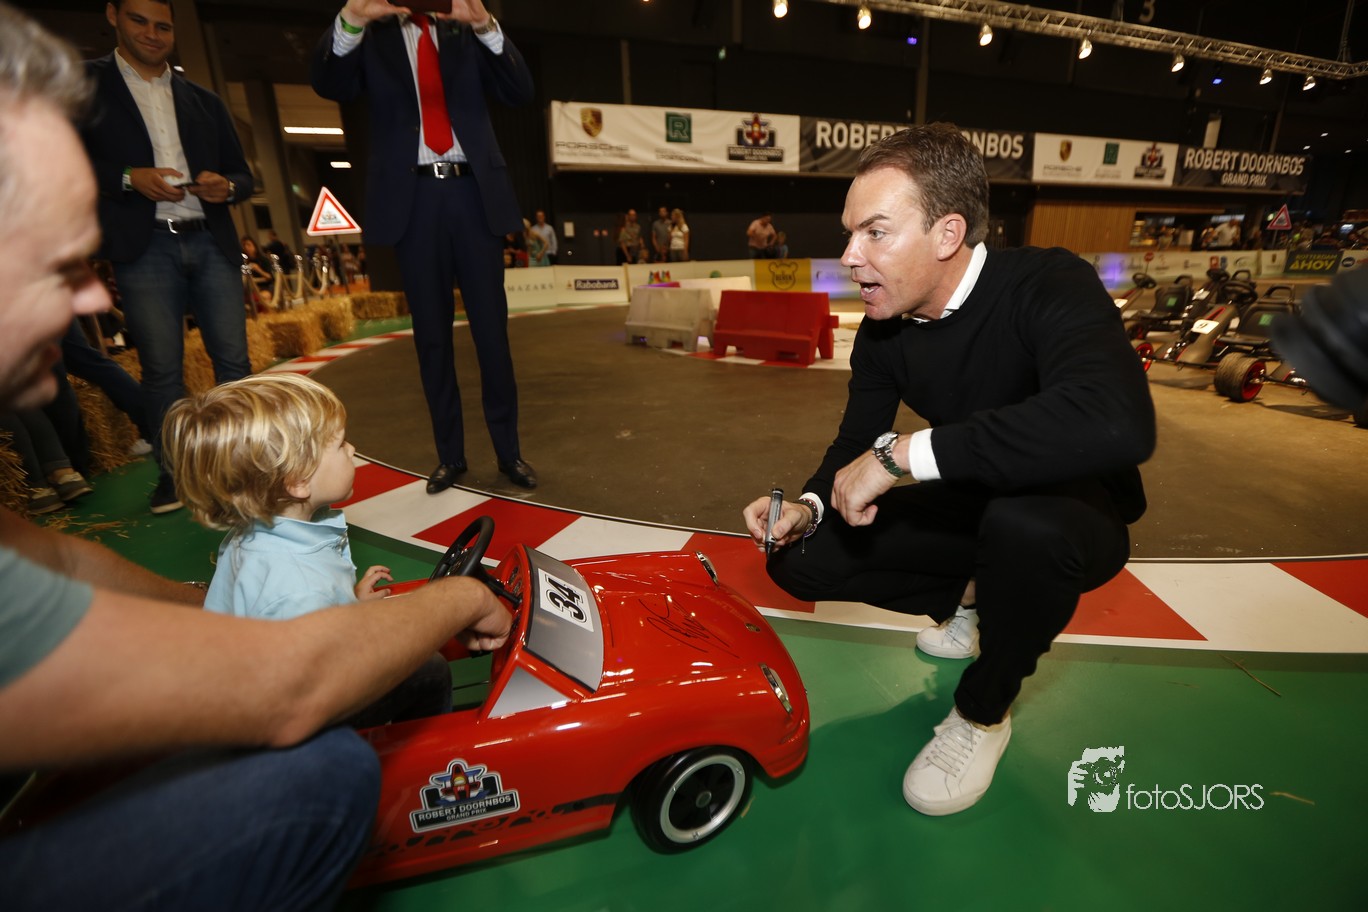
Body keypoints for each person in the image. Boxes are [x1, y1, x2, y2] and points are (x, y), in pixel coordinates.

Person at [0, 7, 511, 906]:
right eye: (58, 265)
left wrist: (246, 617)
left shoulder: (256, 544)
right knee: (347, 757)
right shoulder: (281, 561)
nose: (93, 300)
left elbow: (57, 566)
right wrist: (458, 598)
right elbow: (291, 686)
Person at [742, 124, 1155, 817]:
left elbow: (1117, 421)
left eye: (875, 232)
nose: (849, 256)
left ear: (947, 233)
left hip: (1071, 513)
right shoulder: (883, 331)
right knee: (800, 558)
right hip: (973, 502)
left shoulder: (1049, 282)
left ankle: (982, 713)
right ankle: (970, 598)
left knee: (1024, 528)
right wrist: (808, 507)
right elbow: (855, 440)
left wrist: (903, 454)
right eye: (850, 234)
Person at [312, 0, 538, 492]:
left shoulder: (466, 31)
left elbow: (520, 90)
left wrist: (485, 24)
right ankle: (450, 456)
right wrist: (353, 17)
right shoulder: (373, 36)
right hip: (412, 200)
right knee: (431, 338)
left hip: (474, 194)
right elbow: (329, 82)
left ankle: (509, 453)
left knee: (492, 336)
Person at [163, 372, 453, 726]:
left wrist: (347, 605)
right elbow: (321, 683)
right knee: (430, 670)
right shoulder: (298, 588)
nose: (352, 450)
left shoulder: (251, 537)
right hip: (303, 711)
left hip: (253, 685)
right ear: (298, 481)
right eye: (340, 445)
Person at [79, 0, 255, 515]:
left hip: (211, 239)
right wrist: (129, 178)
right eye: (139, 20)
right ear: (112, 15)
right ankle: (176, 475)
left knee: (235, 365)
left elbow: (243, 175)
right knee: (161, 371)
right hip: (144, 247)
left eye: (163, 26)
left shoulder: (205, 100)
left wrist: (228, 187)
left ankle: (244, 469)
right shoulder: (84, 85)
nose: (152, 34)